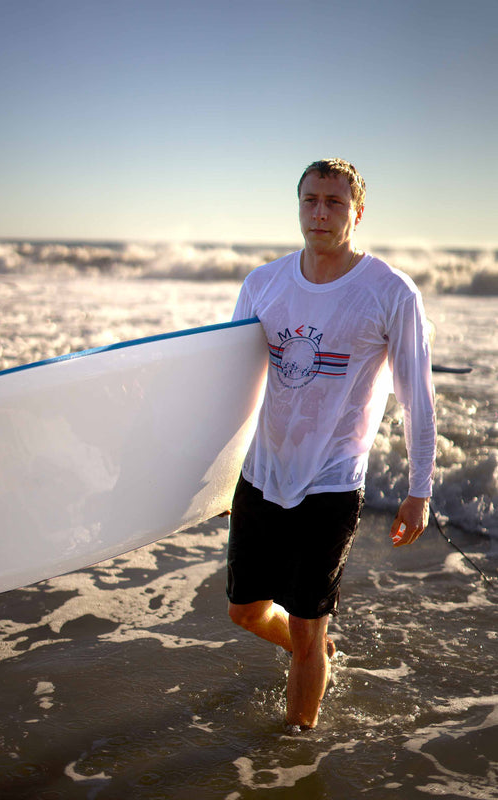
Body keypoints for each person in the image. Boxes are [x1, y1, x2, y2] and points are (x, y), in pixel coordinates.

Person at [226, 158, 436, 730]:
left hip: (333, 480)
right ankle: (316, 655)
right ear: (299, 206)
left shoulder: (390, 292)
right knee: (245, 611)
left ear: (356, 212)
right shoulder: (262, 283)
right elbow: (232, 386)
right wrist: (220, 475)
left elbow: (418, 395)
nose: (320, 212)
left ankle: (294, 758)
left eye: (334, 202)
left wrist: (420, 489)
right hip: (262, 472)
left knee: (305, 624)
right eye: (310, 200)